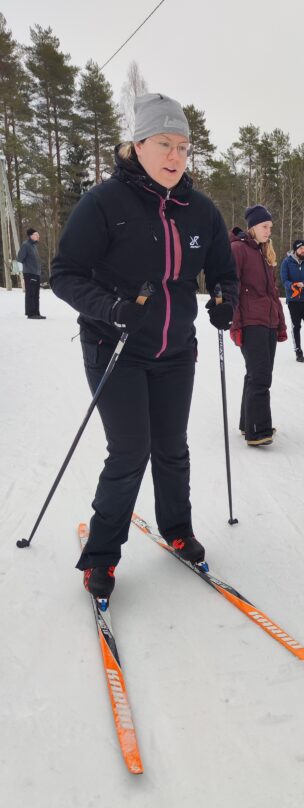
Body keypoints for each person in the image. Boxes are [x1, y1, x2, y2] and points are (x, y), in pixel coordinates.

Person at [50, 92, 238, 600]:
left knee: (172, 448)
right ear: (137, 145)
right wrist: (111, 308)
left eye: (183, 146)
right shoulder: (104, 203)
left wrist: (224, 299)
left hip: (176, 351)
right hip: (116, 348)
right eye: (164, 144)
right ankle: (101, 556)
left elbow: (223, 271)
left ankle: (177, 528)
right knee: (130, 450)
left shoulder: (200, 211)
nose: (175, 156)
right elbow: (64, 275)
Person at [230, 205, 288, 447]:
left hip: (268, 322)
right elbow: (232, 288)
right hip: (251, 321)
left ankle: (248, 422)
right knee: (260, 376)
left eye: (270, 227)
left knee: (256, 374)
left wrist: (280, 323)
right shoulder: (238, 250)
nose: (268, 231)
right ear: (252, 227)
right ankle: (258, 430)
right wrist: (236, 325)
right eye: (264, 226)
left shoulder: (265, 253)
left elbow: (273, 294)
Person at [280, 238, 304, 363]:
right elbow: (284, 280)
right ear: (295, 250)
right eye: (301, 248)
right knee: (296, 326)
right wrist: (291, 286)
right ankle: (298, 351)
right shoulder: (286, 262)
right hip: (293, 301)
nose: (303, 251)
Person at [18, 228, 45, 319]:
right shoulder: (26, 245)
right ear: (31, 236)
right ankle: (31, 314)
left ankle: (36, 313)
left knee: (36, 294)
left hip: (36, 273)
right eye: (36, 234)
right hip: (29, 274)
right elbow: (20, 258)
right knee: (31, 294)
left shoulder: (34, 246)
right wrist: (26, 269)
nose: (38, 236)